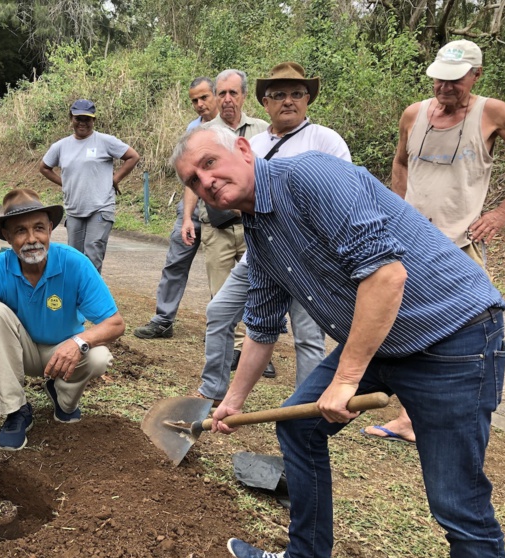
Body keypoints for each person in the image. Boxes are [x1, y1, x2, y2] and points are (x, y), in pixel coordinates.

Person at [172, 125, 505, 558]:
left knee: (459, 506)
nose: (206, 182)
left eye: (209, 164)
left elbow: (386, 275)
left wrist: (346, 378)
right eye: (194, 181)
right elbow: (262, 327)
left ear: (242, 148)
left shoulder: (313, 177)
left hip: (452, 334)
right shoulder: (259, 235)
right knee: (297, 426)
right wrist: (233, 401)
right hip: (381, 340)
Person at [363, 39, 505, 444]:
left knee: (467, 330)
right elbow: (400, 162)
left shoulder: (493, 113)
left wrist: (500, 214)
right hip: (411, 242)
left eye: (455, 80)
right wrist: (396, 211)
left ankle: (457, 418)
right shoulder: (414, 114)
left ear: (476, 75)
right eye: (439, 79)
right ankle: (408, 418)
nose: (445, 87)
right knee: (404, 320)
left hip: (460, 243)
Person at [195, 62, 350, 404]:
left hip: (309, 259)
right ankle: (211, 392)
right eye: (279, 95)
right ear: (265, 103)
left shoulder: (325, 140)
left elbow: (343, 199)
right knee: (219, 313)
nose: (288, 101)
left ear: (308, 99)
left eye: (296, 93)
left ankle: (306, 408)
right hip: (260, 253)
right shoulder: (252, 145)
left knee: (307, 336)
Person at [0, 188, 125, 451]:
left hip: (63, 353)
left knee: (99, 356)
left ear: (50, 229)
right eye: (20, 231)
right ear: (7, 236)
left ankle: (63, 397)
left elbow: (116, 323)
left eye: (39, 228)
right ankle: (15, 411)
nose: (32, 239)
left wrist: (78, 342)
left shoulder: (75, 264)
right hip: (21, 352)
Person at [134, 76, 218, 340]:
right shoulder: (192, 128)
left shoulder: (229, 127)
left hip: (222, 211)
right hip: (191, 207)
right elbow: (189, 175)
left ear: (216, 95)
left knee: (221, 270)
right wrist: (187, 216)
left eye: (204, 97)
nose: (200, 104)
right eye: (194, 100)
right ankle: (163, 320)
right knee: (175, 263)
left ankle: (220, 328)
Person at [180, 70, 269, 297]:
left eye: (233, 93)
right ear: (216, 97)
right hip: (216, 227)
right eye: (222, 94)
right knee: (221, 297)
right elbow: (193, 181)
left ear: (244, 95)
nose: (227, 99)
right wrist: (187, 218)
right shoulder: (201, 134)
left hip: (254, 226)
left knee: (261, 291)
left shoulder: (262, 130)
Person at [39, 99, 140, 273]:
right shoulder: (61, 146)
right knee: (74, 258)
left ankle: (92, 290)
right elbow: (44, 167)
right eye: (78, 118)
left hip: (100, 207)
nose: (82, 123)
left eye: (87, 119)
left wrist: (115, 179)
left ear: (94, 120)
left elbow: (133, 157)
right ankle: (76, 290)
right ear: (71, 118)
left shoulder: (105, 141)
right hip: (74, 209)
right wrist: (64, 182)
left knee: (93, 254)